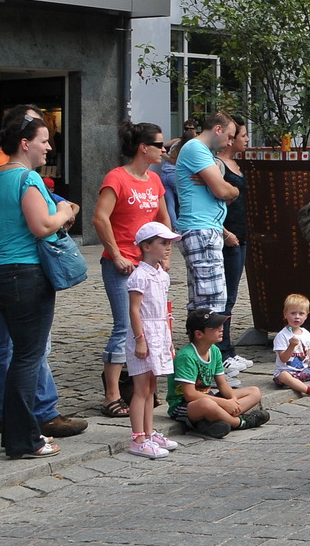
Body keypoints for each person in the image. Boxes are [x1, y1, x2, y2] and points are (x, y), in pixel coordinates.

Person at [0, 117, 83, 459]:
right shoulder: (25, 178)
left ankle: (16, 434)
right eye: (44, 140)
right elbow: (42, 226)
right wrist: (61, 210)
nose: (49, 146)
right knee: (28, 358)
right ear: (25, 144)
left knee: (19, 355)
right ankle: (23, 439)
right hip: (26, 276)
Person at [92, 121, 172, 420]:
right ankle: (111, 392)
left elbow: (163, 218)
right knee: (124, 324)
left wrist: (166, 256)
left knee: (153, 322)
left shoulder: (154, 180)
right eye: (159, 145)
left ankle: (142, 385)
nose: (163, 150)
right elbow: (100, 218)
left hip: (149, 264)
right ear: (143, 147)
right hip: (122, 263)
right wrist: (115, 254)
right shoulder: (117, 178)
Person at [173, 112, 239, 316]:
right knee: (211, 305)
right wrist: (232, 189)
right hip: (201, 229)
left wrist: (222, 186)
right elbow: (223, 191)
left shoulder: (205, 153)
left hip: (205, 228)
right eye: (229, 136)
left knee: (203, 301)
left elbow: (221, 190)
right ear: (217, 129)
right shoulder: (196, 148)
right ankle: (206, 347)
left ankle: (202, 347)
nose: (229, 143)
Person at [124, 223, 179, 460]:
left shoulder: (161, 276)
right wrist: (140, 340)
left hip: (159, 333)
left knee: (152, 387)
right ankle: (138, 437)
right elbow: (134, 310)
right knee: (141, 388)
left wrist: (169, 339)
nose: (168, 248)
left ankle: (149, 431)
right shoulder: (139, 276)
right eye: (163, 243)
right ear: (146, 246)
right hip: (145, 332)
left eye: (169, 244)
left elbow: (165, 310)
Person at [169, 309, 266, 439]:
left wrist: (232, 400)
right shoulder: (186, 356)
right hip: (184, 405)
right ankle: (239, 422)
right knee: (208, 405)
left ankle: (211, 422)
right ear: (199, 334)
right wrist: (225, 404)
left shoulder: (214, 351)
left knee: (255, 392)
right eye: (214, 327)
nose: (221, 329)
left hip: (209, 397)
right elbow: (190, 394)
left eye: (221, 325)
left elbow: (222, 384)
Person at [214, 118, 253, 372]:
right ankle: (223, 350)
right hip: (228, 237)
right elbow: (213, 204)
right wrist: (225, 232)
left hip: (242, 234)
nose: (246, 139)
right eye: (243, 135)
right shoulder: (217, 165)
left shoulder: (237, 164)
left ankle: (227, 349)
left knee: (232, 295)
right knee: (224, 297)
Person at [272, 294, 310, 400]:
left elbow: (309, 353)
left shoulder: (305, 333)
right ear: (285, 314)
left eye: (301, 314)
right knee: (283, 375)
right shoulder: (282, 335)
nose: (297, 317)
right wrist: (291, 346)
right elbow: (283, 358)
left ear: (306, 316)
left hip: (304, 371)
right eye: (293, 313)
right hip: (289, 372)